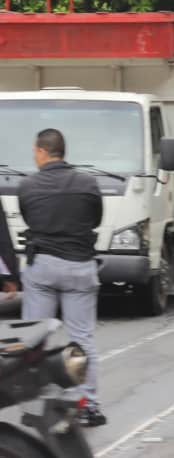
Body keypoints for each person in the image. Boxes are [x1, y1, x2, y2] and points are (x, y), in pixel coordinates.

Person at [18, 128, 106, 426]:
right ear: (63, 152)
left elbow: (30, 218)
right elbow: (96, 218)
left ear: (42, 151)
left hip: (42, 266)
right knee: (82, 338)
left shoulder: (28, 186)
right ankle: (88, 406)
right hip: (80, 266)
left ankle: (36, 405)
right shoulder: (88, 183)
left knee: (35, 337)